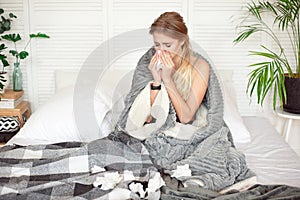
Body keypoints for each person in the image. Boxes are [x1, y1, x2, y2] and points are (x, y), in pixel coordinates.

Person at [147, 12, 210, 125]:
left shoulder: (200, 67)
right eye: (157, 45)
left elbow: (186, 118)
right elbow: (148, 119)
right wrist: (156, 82)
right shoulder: (152, 63)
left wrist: (167, 80)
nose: (161, 50)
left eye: (168, 45)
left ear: (182, 40)